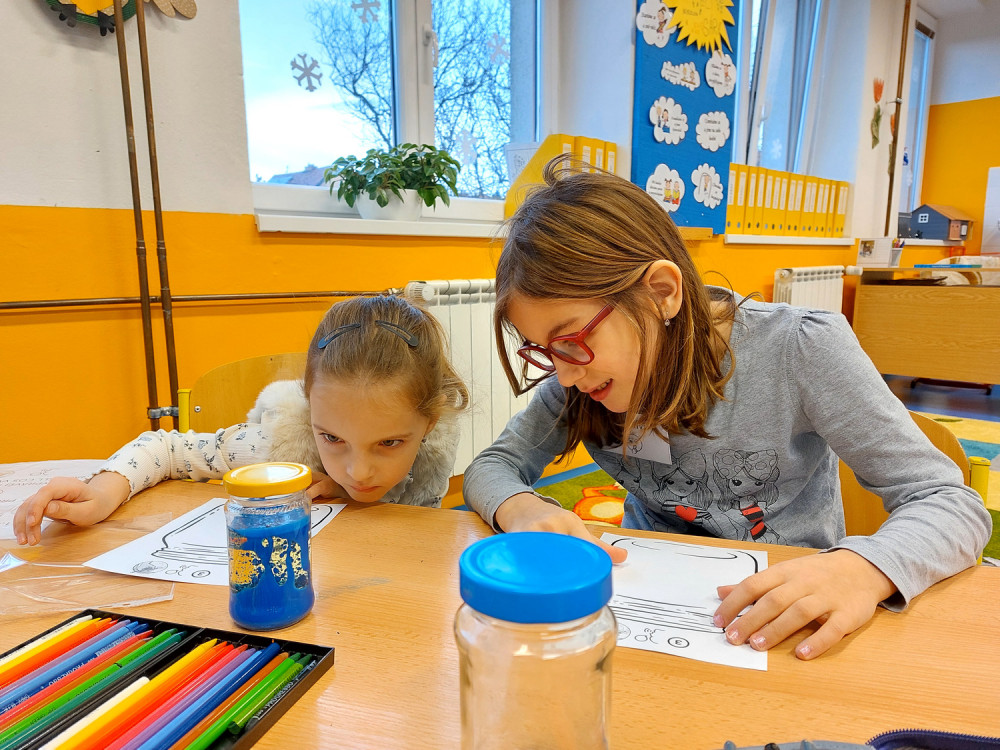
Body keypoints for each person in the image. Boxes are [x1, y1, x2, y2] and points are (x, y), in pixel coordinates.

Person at [462, 157, 991, 660]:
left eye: (571, 341)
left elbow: (950, 502)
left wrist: (861, 569)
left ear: (661, 293)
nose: (563, 375)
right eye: (544, 351)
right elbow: (494, 466)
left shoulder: (801, 348)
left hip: (790, 610)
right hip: (646, 604)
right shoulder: (580, 379)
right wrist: (522, 508)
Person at [15, 294, 469, 546]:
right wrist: (100, 493)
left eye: (388, 443)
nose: (358, 471)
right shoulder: (276, 446)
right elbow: (166, 448)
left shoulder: (433, 451)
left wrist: (347, 494)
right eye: (332, 438)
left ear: (430, 422)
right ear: (309, 410)